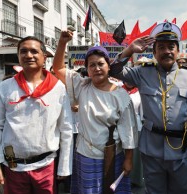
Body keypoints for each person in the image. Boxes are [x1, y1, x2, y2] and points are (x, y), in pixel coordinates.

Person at [109, 21, 187, 194]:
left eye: (171, 47)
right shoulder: (142, 73)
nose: (167, 51)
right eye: (161, 47)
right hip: (151, 148)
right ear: (154, 51)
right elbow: (113, 71)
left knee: (181, 191)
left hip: (180, 148)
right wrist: (129, 50)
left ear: (177, 50)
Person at [0, 36, 74, 194]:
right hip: (13, 165)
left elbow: (66, 128)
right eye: (23, 51)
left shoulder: (57, 87)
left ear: (44, 57)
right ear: (18, 56)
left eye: (34, 51)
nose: (28, 55)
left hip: (46, 165)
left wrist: (64, 166)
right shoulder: (5, 87)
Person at [53, 31, 138, 194]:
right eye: (92, 65)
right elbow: (58, 68)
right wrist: (62, 43)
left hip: (114, 155)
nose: (97, 68)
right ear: (87, 69)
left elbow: (129, 131)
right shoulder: (82, 86)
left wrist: (128, 159)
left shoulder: (121, 95)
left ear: (108, 66)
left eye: (100, 64)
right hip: (85, 154)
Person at [122, 81, 144, 188]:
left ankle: (135, 179)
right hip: (120, 126)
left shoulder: (139, 92)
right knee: (122, 154)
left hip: (136, 126)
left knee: (135, 155)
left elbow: (142, 112)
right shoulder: (118, 90)